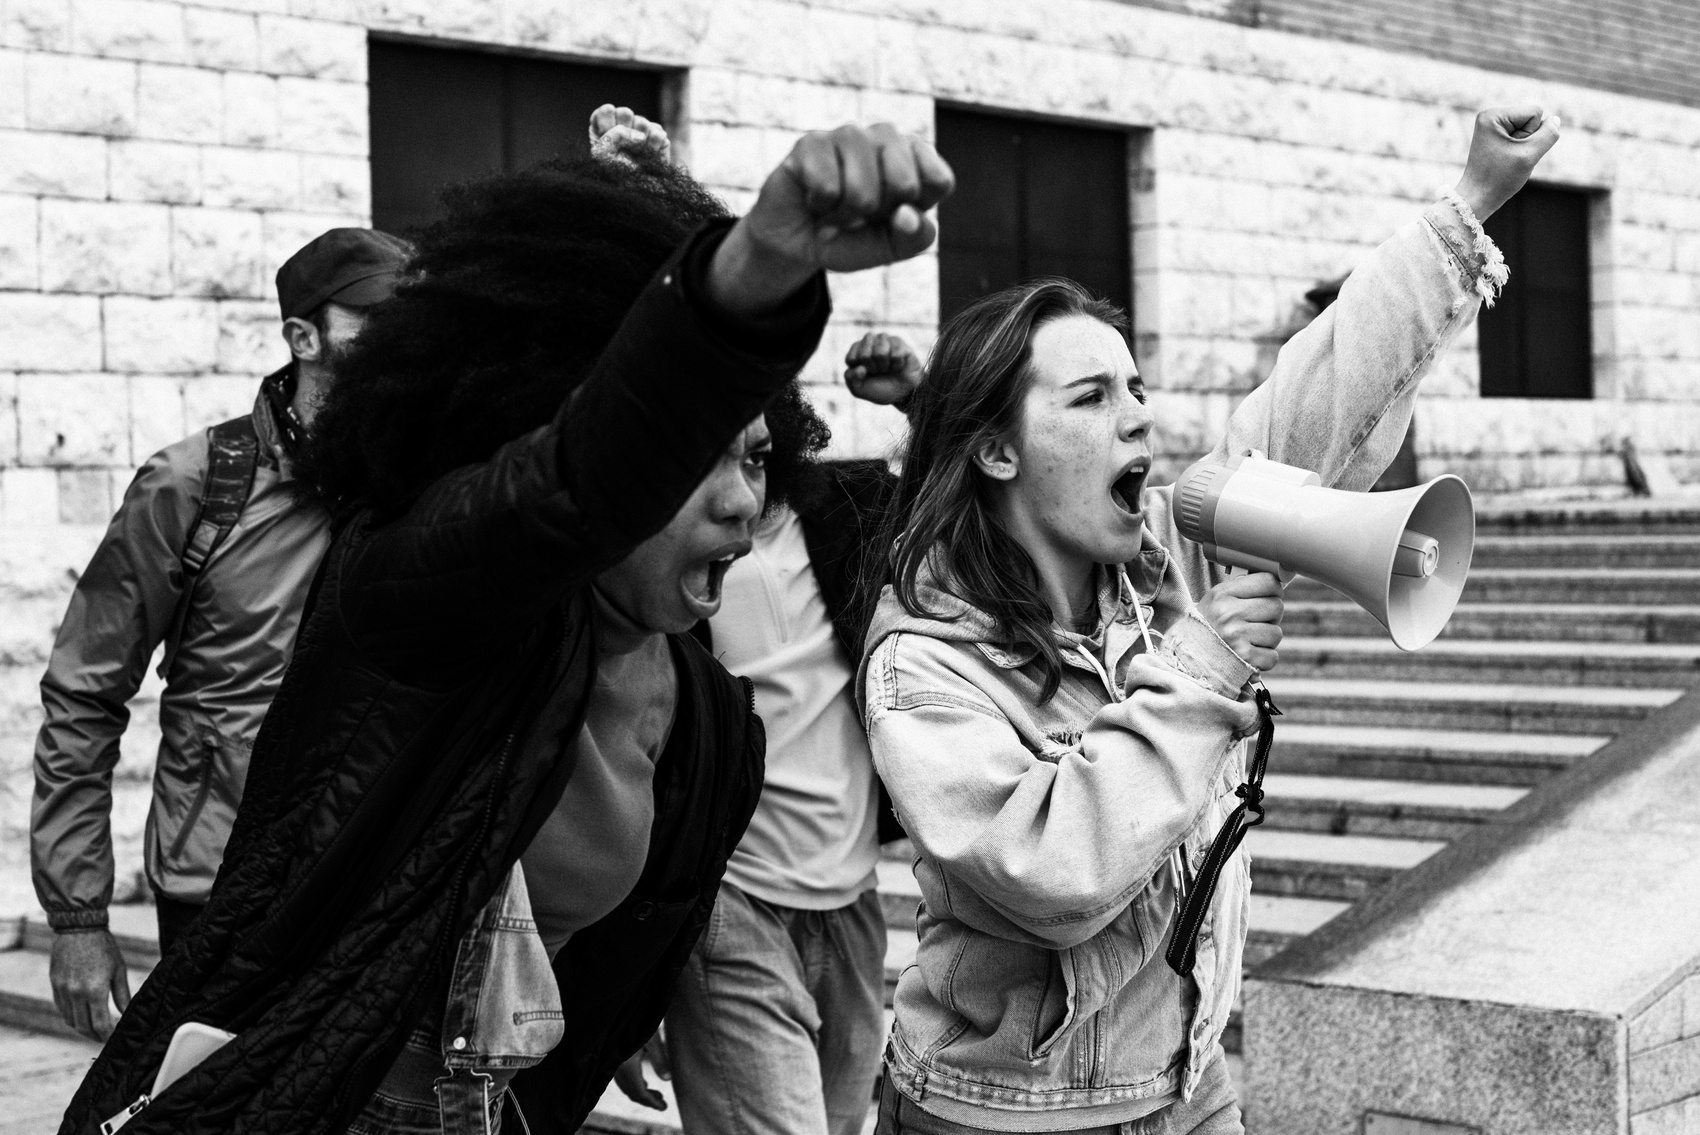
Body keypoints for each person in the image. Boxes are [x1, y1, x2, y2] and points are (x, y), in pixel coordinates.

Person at [55, 122, 953, 1135]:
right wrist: (755, 268)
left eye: (753, 458)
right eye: (689, 455)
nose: (739, 501)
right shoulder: (421, 601)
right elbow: (573, 478)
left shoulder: (706, 719)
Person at [860, 106, 1559, 1135]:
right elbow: (1053, 872)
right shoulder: (923, 664)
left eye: (1135, 388)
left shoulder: (1158, 567)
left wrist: (1466, 205)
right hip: (1004, 1110)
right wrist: (1202, 668)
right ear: (995, 451)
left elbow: (1315, 396)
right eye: (1090, 397)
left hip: (1185, 1081)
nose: (1137, 415)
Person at [579, 103, 926, 1135]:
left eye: (755, 443)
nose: (735, 481)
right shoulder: (653, 552)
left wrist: (919, 396)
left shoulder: (846, 510)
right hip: (728, 909)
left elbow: (990, 490)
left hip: (853, 905)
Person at [29, 227, 410, 1041]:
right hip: (216, 879)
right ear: (304, 337)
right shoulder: (196, 484)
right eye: (373, 321)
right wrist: (77, 915)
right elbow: (84, 690)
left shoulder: (414, 486)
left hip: (369, 874)